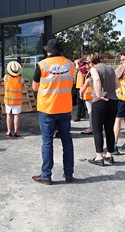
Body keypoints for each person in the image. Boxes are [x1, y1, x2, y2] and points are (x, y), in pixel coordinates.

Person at [32, 39, 75, 185]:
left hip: (47, 108)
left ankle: (46, 175)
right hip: (65, 107)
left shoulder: (42, 65)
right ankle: (68, 174)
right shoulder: (71, 64)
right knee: (67, 141)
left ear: (48, 51)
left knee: (47, 142)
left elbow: (35, 87)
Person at [86, 52, 119, 166]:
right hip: (113, 101)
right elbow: (117, 85)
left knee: (98, 129)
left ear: (91, 62)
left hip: (100, 101)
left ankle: (99, 156)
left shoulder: (94, 69)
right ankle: (110, 154)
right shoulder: (110, 68)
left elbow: (97, 80)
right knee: (109, 129)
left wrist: (99, 94)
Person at [4, 61, 23, 137]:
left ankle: (9, 131)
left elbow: (5, 87)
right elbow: (21, 88)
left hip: (8, 99)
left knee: (9, 115)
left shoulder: (6, 77)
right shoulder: (21, 79)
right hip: (17, 100)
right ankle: (16, 131)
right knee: (16, 115)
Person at [79, 62, 94, 135]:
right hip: (90, 95)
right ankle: (92, 126)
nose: (85, 66)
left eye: (86, 64)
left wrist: (81, 92)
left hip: (89, 95)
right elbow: (81, 69)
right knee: (91, 112)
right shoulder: (90, 72)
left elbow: (86, 84)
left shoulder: (91, 73)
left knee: (90, 112)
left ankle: (91, 127)